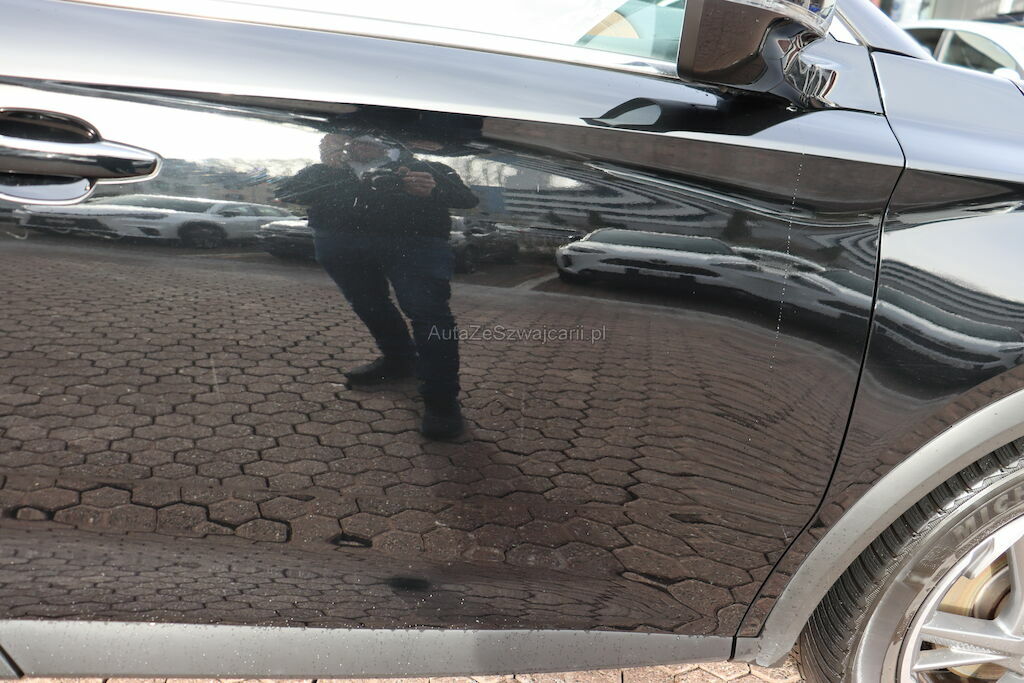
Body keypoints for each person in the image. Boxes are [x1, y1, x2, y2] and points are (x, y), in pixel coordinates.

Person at [278, 130, 478, 439]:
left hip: (415, 244)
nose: (361, 144)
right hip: (341, 243)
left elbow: (467, 199)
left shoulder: (421, 167)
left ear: (389, 144)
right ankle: (399, 361)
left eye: (371, 139)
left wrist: (432, 190)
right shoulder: (329, 168)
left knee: (429, 315)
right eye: (355, 138)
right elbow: (288, 193)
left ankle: (441, 401)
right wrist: (327, 166)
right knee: (368, 304)